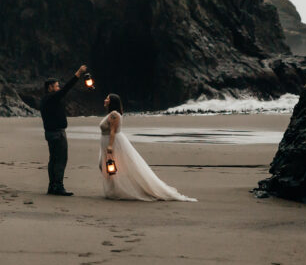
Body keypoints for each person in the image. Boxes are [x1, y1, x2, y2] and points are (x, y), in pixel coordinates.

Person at [98, 93, 196, 202]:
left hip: (113, 142)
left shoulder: (114, 115)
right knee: (104, 166)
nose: (105, 100)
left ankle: (116, 189)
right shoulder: (111, 114)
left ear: (112, 102)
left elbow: (112, 131)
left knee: (112, 167)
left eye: (107, 98)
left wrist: (110, 146)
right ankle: (113, 188)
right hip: (106, 142)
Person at [39, 65, 87, 196]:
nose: (58, 88)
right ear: (50, 87)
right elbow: (66, 89)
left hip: (50, 133)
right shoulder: (52, 98)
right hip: (57, 133)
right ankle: (58, 186)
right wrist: (78, 74)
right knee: (60, 160)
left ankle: (52, 186)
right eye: (56, 86)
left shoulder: (45, 100)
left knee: (53, 160)